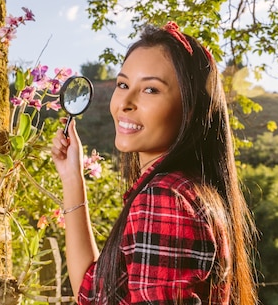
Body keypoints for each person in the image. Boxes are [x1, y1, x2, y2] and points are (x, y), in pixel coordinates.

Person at [50, 22, 257, 305]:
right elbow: (92, 294)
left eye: (150, 90)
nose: (125, 102)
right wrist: (72, 177)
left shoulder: (165, 199)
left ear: (189, 108)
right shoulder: (188, 190)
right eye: (123, 84)